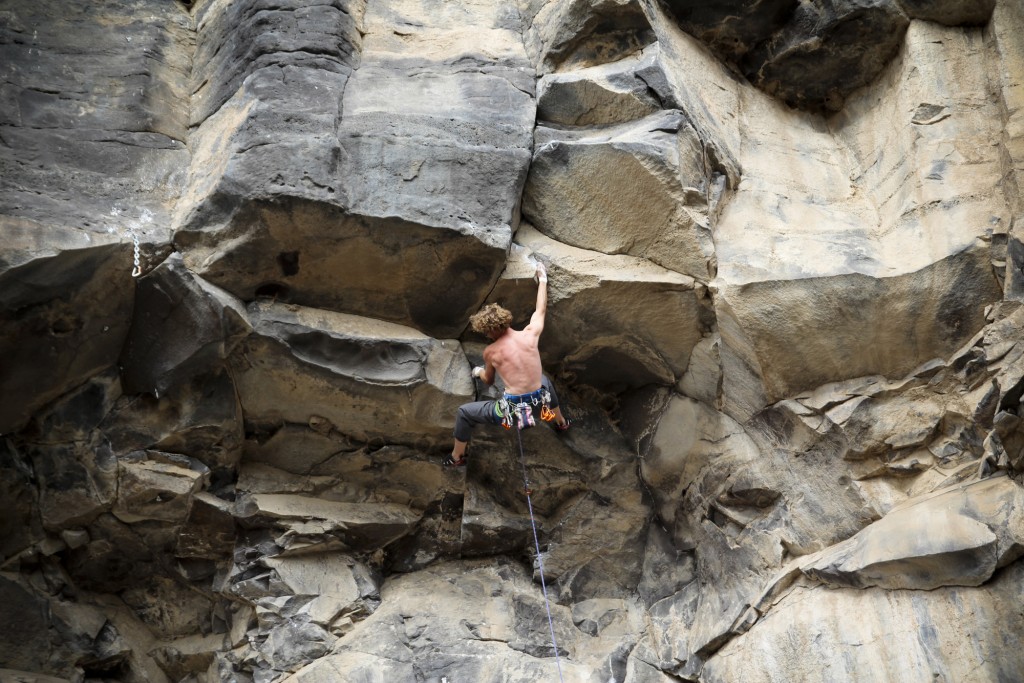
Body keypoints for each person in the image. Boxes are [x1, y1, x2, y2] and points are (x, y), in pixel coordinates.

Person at [444, 261, 570, 467]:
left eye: (485, 332)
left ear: (490, 331)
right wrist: (543, 279)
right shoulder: (531, 334)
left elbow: (488, 379)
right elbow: (541, 309)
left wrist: (477, 372)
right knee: (543, 380)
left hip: (511, 410)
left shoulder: (491, 352)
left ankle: (457, 456)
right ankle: (560, 422)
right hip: (539, 399)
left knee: (464, 413)